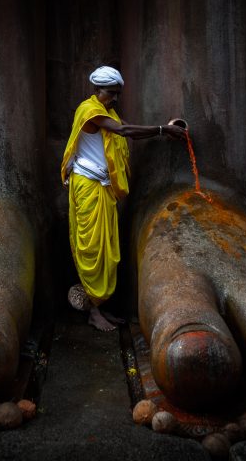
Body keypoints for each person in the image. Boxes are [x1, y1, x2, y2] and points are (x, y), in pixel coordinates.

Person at [61, 66, 186, 331]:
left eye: (118, 94)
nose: (115, 98)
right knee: (92, 248)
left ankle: (99, 307)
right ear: (98, 90)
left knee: (106, 250)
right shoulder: (90, 111)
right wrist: (163, 130)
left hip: (102, 187)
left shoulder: (107, 110)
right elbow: (125, 131)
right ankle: (94, 312)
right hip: (87, 187)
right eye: (111, 93)